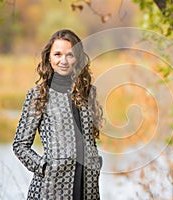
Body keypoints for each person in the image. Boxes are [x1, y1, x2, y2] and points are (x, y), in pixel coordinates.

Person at [13, 29, 103, 200]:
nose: (63, 60)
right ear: (49, 57)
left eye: (70, 55)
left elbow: (89, 138)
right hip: (52, 186)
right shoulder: (39, 95)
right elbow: (20, 145)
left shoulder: (87, 92)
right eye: (58, 54)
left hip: (87, 186)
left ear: (77, 58)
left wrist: (95, 162)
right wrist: (44, 166)